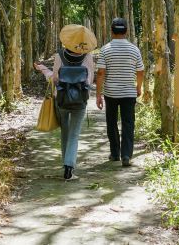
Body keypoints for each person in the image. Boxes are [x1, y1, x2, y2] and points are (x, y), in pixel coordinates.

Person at [35, 24, 96, 181]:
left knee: (65, 132)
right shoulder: (88, 57)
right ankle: (69, 167)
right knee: (74, 135)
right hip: (80, 100)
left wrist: (43, 69)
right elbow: (89, 80)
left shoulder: (59, 56)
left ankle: (65, 164)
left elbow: (55, 79)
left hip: (61, 99)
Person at [96, 18, 144, 167]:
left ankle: (115, 153)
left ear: (111, 31)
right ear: (127, 31)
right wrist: (138, 87)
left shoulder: (105, 49)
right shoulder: (134, 49)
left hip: (111, 93)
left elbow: (101, 73)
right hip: (129, 93)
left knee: (111, 123)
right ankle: (126, 155)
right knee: (128, 123)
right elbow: (140, 71)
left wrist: (98, 94)